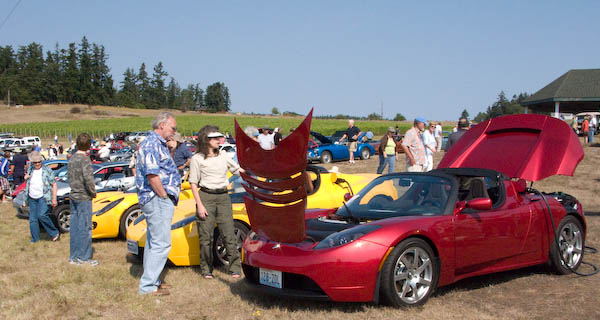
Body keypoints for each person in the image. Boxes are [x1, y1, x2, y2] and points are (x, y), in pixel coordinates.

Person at [189, 126, 244, 280]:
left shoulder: (224, 156)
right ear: (206, 140)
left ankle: (234, 268)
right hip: (206, 197)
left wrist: (256, 170)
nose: (218, 140)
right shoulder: (197, 159)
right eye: (215, 138)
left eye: (219, 137)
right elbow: (193, 183)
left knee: (228, 233)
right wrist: (200, 205)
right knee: (206, 237)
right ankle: (206, 269)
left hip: (223, 197)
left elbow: (238, 171)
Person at [136, 112, 181, 295]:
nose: (174, 132)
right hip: (156, 198)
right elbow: (152, 175)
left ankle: (153, 280)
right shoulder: (152, 143)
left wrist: (171, 149)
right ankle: (147, 286)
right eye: (173, 128)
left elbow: (165, 167)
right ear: (162, 125)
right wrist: (163, 196)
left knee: (153, 242)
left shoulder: (159, 144)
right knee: (162, 243)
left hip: (158, 198)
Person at [68, 133, 98, 265]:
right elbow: (88, 179)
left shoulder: (72, 158)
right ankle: (84, 257)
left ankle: (73, 256)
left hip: (73, 195)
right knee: (85, 227)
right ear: (89, 145)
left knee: (74, 227)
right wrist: (93, 192)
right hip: (83, 197)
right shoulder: (85, 159)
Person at [23, 151, 60, 243]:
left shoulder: (47, 170)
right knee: (33, 219)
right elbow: (27, 184)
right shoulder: (30, 170)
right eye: (35, 162)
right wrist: (26, 177)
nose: (37, 164)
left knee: (42, 215)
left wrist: (54, 199)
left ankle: (54, 232)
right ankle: (35, 239)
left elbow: (54, 184)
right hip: (32, 197)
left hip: (44, 197)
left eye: (39, 162)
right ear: (32, 162)